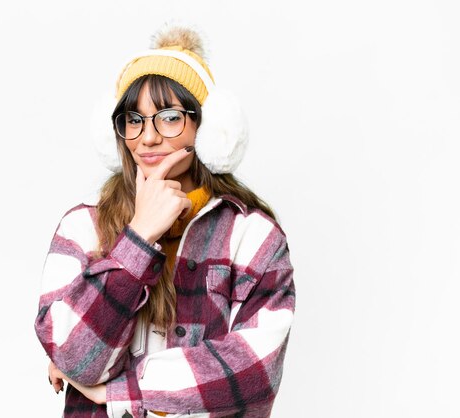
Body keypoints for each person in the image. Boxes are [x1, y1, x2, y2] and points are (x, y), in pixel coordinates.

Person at [35, 24, 295, 418]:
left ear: (207, 128)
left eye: (169, 117)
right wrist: (139, 237)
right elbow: (75, 357)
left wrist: (118, 391)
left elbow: (254, 372)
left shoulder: (253, 236)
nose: (148, 138)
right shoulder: (83, 226)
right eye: (134, 120)